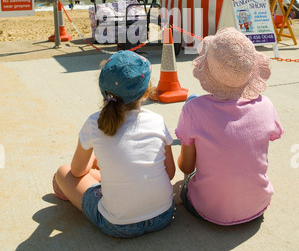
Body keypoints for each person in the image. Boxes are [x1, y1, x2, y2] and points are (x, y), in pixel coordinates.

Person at [52, 50, 175, 237]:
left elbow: (77, 172)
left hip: (118, 225)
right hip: (163, 215)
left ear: (105, 90)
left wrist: (94, 155)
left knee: (63, 172)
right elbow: (170, 172)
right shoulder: (157, 120)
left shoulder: (94, 123)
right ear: (145, 92)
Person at [175, 27, 283, 226]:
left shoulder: (194, 109)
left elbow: (186, 166)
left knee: (193, 103)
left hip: (209, 209)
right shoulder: (266, 105)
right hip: (257, 205)